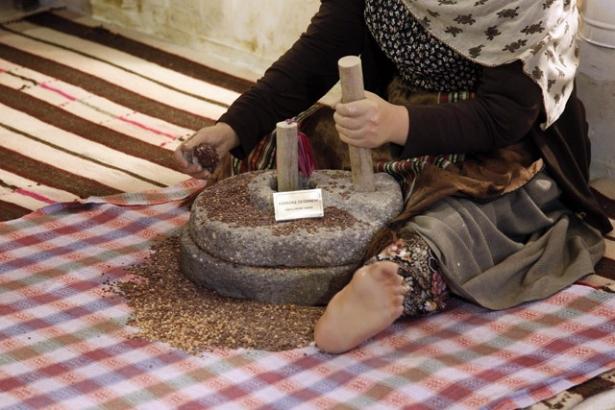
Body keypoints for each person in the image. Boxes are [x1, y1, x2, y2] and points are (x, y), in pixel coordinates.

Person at [174, 0, 612, 354]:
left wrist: (398, 124)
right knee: (285, 146)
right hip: (393, 117)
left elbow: (505, 116)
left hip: (496, 147)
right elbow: (317, 55)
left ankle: (393, 276)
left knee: (462, 219)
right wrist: (233, 127)